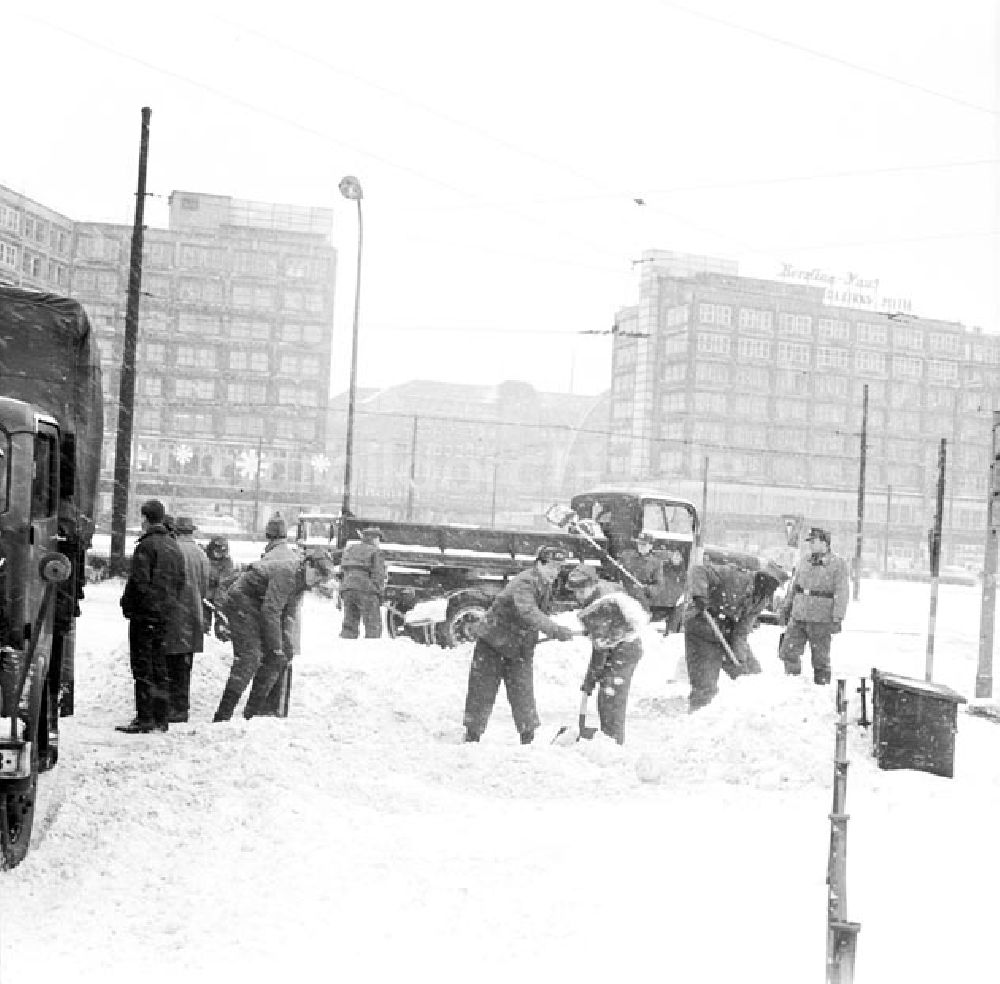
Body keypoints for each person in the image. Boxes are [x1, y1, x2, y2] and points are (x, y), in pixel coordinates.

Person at [463, 545, 577, 744]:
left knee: (522, 691)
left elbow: (536, 614)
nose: (555, 572)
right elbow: (529, 611)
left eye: (558, 568)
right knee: (482, 690)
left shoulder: (545, 582)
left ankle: (528, 737)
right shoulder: (525, 582)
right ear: (539, 564)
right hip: (493, 641)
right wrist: (555, 629)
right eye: (551, 567)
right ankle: (472, 736)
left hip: (519, 646)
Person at [212, 549, 337, 722]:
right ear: (307, 564)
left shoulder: (301, 581)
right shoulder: (287, 574)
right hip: (242, 601)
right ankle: (222, 716)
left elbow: (288, 613)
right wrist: (276, 646)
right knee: (250, 657)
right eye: (316, 574)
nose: (317, 581)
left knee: (279, 658)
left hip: (260, 605)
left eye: (321, 578)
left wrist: (285, 643)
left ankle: (251, 714)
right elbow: (271, 611)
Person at [117, 499, 186, 733]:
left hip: (145, 615)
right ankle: (161, 716)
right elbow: (180, 582)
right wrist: (168, 606)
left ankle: (145, 718)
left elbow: (138, 582)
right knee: (159, 665)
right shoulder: (173, 545)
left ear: (146, 518)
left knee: (142, 667)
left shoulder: (146, 546)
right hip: (164, 616)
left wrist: (129, 605)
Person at [683, 559, 787, 712]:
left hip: (726, 630)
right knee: (706, 683)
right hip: (702, 624)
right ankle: (698, 713)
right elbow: (698, 570)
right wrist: (700, 594)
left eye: (775, 586)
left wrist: (739, 660)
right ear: (761, 577)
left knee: (752, 674)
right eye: (769, 582)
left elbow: (741, 631)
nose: (770, 589)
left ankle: (752, 715)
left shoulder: (761, 600)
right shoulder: (735, 576)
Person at [566, 564, 648, 744]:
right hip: (622, 643)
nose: (578, 595)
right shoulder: (602, 593)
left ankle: (613, 740)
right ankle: (611, 735)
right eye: (576, 591)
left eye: (583, 590)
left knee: (610, 695)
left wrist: (590, 679)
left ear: (594, 585)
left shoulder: (600, 607)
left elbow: (600, 650)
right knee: (608, 694)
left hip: (625, 649)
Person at [778, 527, 850, 685]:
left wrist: (838, 617)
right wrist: (786, 607)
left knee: (820, 659)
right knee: (788, 651)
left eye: (814, 541)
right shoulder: (804, 561)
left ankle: (821, 688)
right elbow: (794, 586)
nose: (810, 544)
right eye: (809, 541)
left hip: (821, 618)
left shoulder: (837, 564)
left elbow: (842, 592)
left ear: (824, 543)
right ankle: (791, 683)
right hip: (799, 615)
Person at [163, 516, 211, 723]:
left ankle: (170, 707)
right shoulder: (202, 554)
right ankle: (181, 707)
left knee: (168, 664)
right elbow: (204, 587)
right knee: (184, 665)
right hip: (193, 615)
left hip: (174, 614)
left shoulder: (172, 550)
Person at [339, 526, 387, 639]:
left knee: (349, 624)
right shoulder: (376, 552)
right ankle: (371, 650)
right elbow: (378, 574)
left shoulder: (350, 549)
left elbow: (343, 570)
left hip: (348, 589)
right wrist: (379, 593)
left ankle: (347, 647)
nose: (378, 542)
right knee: (373, 625)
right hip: (366, 590)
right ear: (374, 539)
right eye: (378, 539)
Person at [204, 535, 237, 639]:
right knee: (202, 624)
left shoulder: (227, 562)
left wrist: (219, 605)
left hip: (219, 595)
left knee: (221, 617)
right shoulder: (204, 557)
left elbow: (224, 584)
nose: (219, 554)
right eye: (217, 551)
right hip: (204, 594)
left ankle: (222, 631)